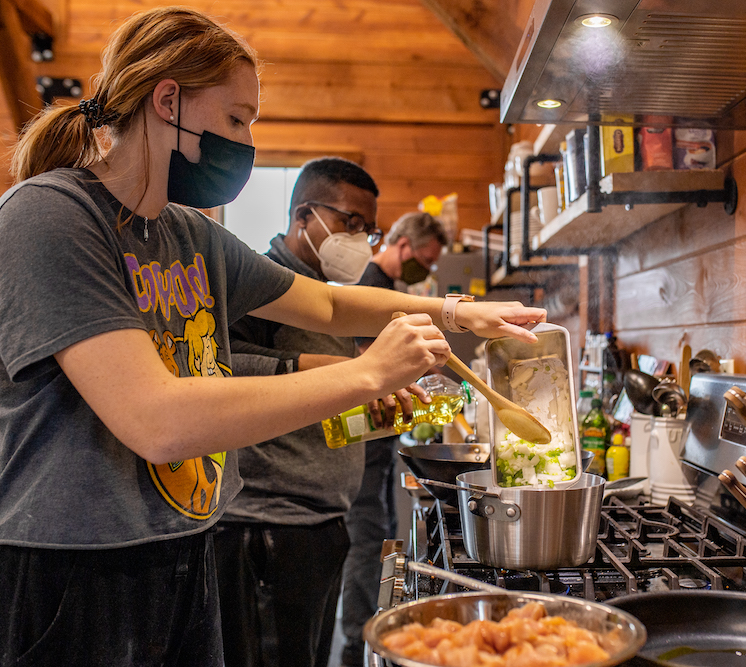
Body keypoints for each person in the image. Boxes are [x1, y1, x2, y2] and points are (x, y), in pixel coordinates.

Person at [0, 7, 545, 666]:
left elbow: (328, 302)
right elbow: (156, 418)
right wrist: (367, 374)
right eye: (236, 119)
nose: (245, 143)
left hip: (185, 544)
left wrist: (459, 313)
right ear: (167, 99)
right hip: (73, 569)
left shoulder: (188, 234)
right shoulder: (51, 217)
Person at [214, 156, 387, 667]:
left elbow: (318, 400)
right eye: (349, 222)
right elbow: (216, 369)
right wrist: (317, 365)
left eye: (369, 230)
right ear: (304, 216)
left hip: (319, 522)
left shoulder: (323, 297)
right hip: (265, 527)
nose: (359, 239)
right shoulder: (260, 283)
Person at [339, 211, 447, 667]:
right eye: (423, 259)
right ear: (403, 245)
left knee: (380, 533)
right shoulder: (370, 284)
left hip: (378, 438)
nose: (425, 268)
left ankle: (371, 632)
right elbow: (367, 365)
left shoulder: (392, 289)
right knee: (368, 538)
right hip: (360, 436)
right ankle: (361, 642)